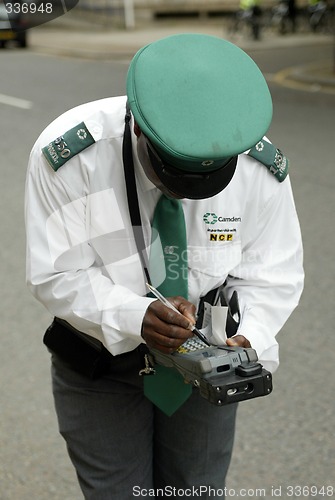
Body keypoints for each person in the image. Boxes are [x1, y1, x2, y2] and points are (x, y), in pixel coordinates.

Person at [25, 34, 304, 499]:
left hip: (209, 366)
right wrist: (135, 317)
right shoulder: (72, 158)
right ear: (139, 131)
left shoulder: (259, 164)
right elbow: (57, 274)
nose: (182, 196)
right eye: (171, 180)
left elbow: (272, 272)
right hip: (100, 363)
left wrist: (243, 341)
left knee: (196, 491)